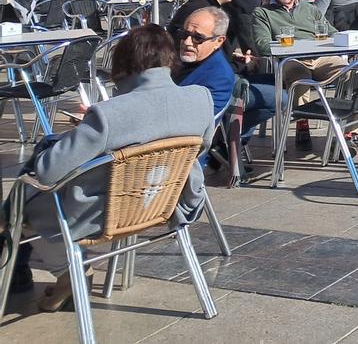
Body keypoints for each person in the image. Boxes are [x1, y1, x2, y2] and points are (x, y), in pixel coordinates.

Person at [10, 25, 213, 306]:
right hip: (165, 204)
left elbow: (47, 172)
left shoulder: (109, 115)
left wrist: (82, 133)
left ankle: (69, 272)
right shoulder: (200, 99)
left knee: (22, 206)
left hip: (102, 215)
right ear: (169, 59)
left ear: (123, 64)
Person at [251, 0, 345, 149]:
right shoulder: (262, 13)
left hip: (319, 58)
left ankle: (347, 131)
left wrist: (343, 38)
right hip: (288, 60)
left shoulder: (311, 10)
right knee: (299, 76)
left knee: (351, 71)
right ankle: (303, 124)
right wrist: (293, 46)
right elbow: (262, 45)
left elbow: (332, 33)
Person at [174, 5, 277, 148]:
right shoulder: (177, 60)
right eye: (184, 34)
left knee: (280, 96)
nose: (187, 42)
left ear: (219, 41)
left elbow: (192, 127)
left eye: (198, 38)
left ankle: (227, 147)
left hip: (177, 153)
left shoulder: (218, 77)